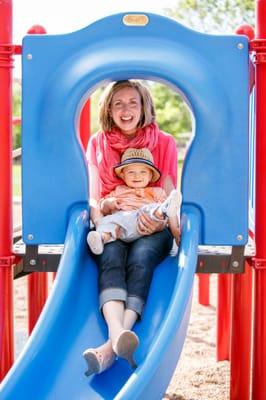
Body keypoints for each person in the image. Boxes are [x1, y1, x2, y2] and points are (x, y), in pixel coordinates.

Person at [83, 80, 178, 376]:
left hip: (153, 222)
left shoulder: (164, 142)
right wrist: (102, 221)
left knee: (141, 257)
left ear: (144, 106)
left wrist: (162, 222)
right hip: (115, 222)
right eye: (118, 103)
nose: (126, 110)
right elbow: (94, 195)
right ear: (109, 110)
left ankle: (109, 349)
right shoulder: (98, 143)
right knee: (110, 255)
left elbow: (171, 192)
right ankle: (117, 333)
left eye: (132, 102)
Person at [87, 147, 181, 255]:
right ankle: (100, 240)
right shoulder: (119, 190)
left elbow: (172, 214)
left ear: (150, 175)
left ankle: (162, 210)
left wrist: (175, 229)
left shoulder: (156, 191)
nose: (137, 176)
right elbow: (102, 207)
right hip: (122, 227)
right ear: (123, 175)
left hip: (145, 223)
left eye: (143, 172)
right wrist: (108, 203)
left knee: (150, 209)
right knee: (107, 222)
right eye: (131, 172)